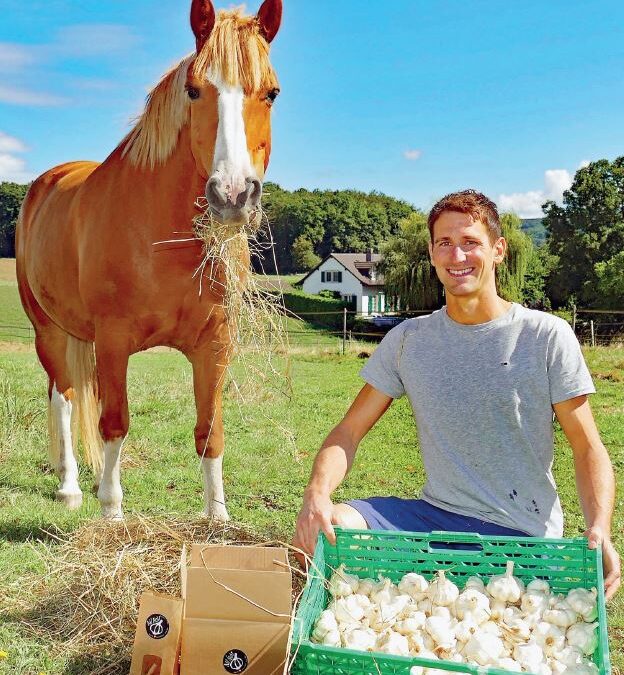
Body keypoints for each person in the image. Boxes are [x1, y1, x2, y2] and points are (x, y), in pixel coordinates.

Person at [293, 189, 621, 601]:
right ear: (431, 253)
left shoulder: (544, 335)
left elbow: (587, 444)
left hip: (520, 531)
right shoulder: (408, 341)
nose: (457, 256)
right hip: (433, 517)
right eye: (445, 243)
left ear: (498, 250)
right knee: (328, 527)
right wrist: (316, 495)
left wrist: (600, 526)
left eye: (471, 243)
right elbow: (348, 432)